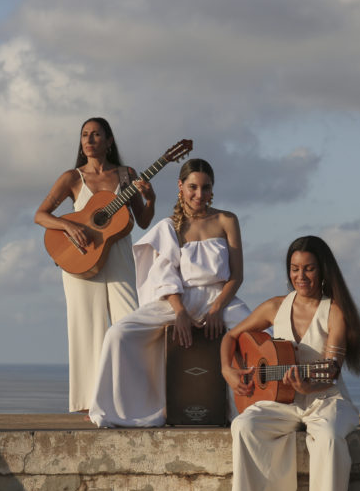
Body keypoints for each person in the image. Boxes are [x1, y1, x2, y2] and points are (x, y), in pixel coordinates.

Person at [221, 236, 360, 491]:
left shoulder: (335, 312)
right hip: (283, 401)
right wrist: (228, 371)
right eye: (295, 269)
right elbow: (231, 337)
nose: (301, 276)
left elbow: (330, 369)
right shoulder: (276, 306)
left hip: (326, 400)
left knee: (330, 439)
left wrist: (308, 386)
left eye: (309, 269)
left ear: (323, 271)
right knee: (245, 425)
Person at [88, 158, 250, 427]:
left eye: (206, 188)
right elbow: (166, 276)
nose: (200, 194)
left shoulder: (226, 220)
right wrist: (180, 313)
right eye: (193, 187)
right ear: (180, 186)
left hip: (221, 299)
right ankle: (123, 410)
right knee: (118, 333)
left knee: (261, 337)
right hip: (177, 300)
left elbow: (237, 275)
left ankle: (255, 410)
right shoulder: (169, 226)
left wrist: (217, 308)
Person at [35, 117, 156, 413]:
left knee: (129, 324)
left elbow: (141, 221)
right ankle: (90, 404)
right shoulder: (72, 178)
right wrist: (67, 226)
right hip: (82, 257)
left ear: (109, 140)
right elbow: (41, 215)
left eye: (96, 135)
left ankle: (133, 398)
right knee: (86, 329)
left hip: (118, 255)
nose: (89, 140)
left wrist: (149, 199)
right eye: (85, 135)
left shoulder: (126, 175)